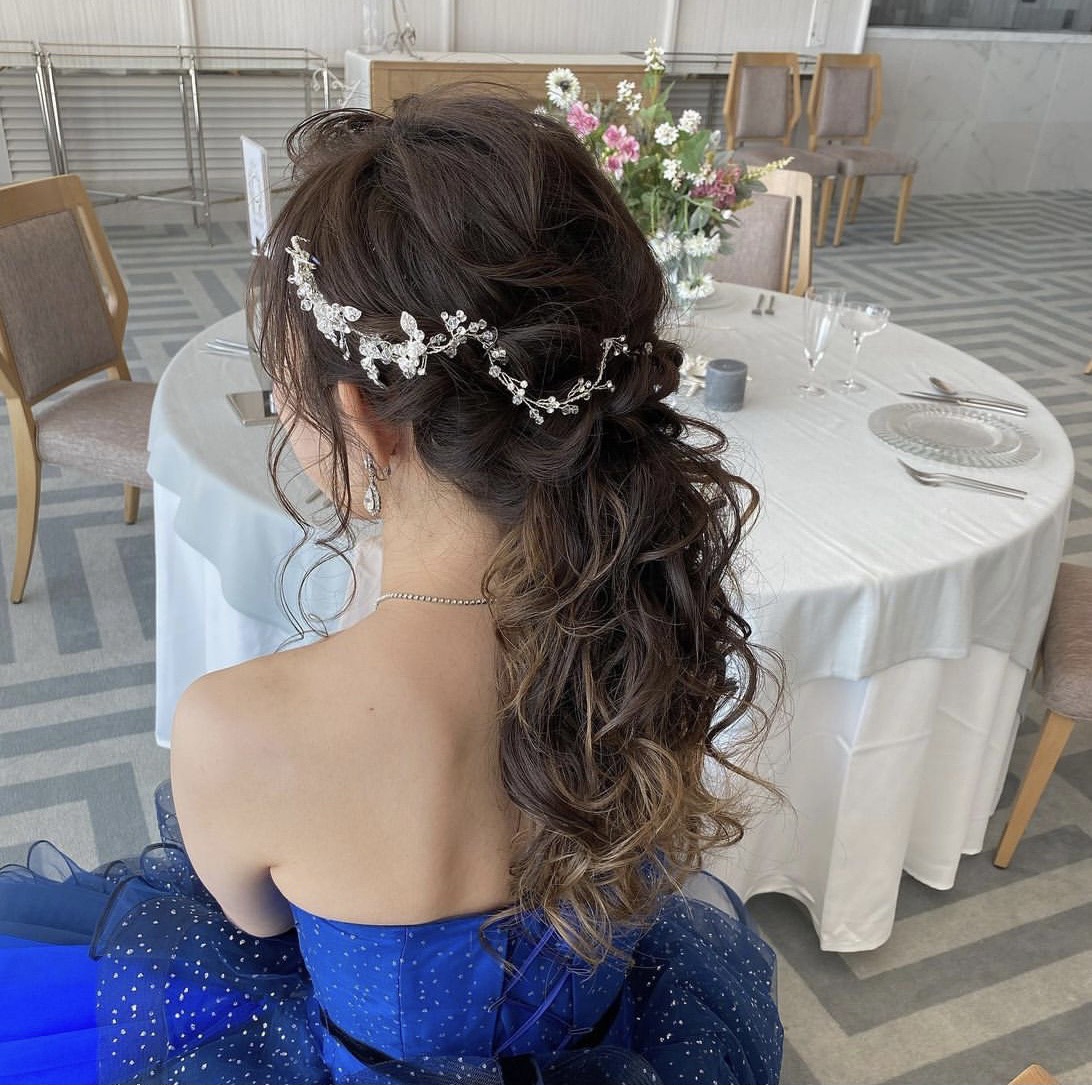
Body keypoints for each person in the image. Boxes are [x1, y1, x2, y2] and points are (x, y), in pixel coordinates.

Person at [0, 91, 782, 1084]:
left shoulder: (239, 728)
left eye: (282, 391)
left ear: (364, 420)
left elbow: (257, 926)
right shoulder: (658, 624)